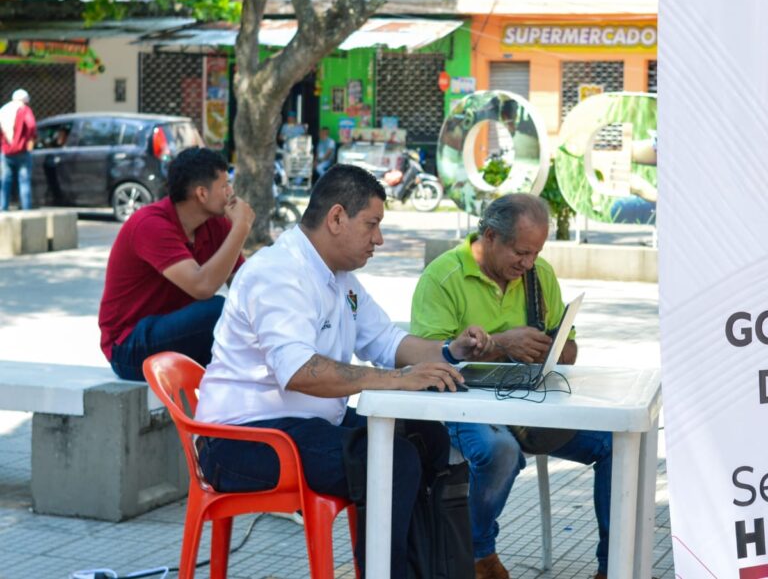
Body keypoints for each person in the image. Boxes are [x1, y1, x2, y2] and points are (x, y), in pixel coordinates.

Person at [194, 164, 491, 578]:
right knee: (393, 461)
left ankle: (428, 570)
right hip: (243, 440)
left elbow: (386, 341)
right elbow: (300, 371)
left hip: (304, 427)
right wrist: (398, 380)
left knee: (427, 437)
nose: (379, 239)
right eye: (372, 224)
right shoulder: (277, 272)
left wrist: (449, 351)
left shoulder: (340, 278)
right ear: (336, 218)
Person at [410, 193, 613, 579]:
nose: (529, 263)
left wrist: (551, 348)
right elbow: (427, 363)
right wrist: (503, 344)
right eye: (521, 252)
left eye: (536, 253)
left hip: (528, 404)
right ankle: (478, 554)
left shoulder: (539, 276)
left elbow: (570, 350)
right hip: (462, 403)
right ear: (490, 236)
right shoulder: (443, 276)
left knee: (615, 440)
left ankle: (612, 565)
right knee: (499, 450)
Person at [98, 147, 254, 381]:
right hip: (129, 347)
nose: (231, 193)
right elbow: (202, 287)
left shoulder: (216, 224)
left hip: (181, 337)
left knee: (247, 324)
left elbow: (245, 288)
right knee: (216, 310)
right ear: (202, 193)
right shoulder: (151, 225)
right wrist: (241, 228)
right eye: (225, 186)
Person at [0, 89, 37, 210]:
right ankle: (26, 209)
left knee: (5, 181)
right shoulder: (24, 109)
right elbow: (31, 125)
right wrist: (30, 139)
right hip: (22, 151)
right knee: (24, 181)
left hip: (6, 151)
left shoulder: (3, 110)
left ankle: (3, 208)